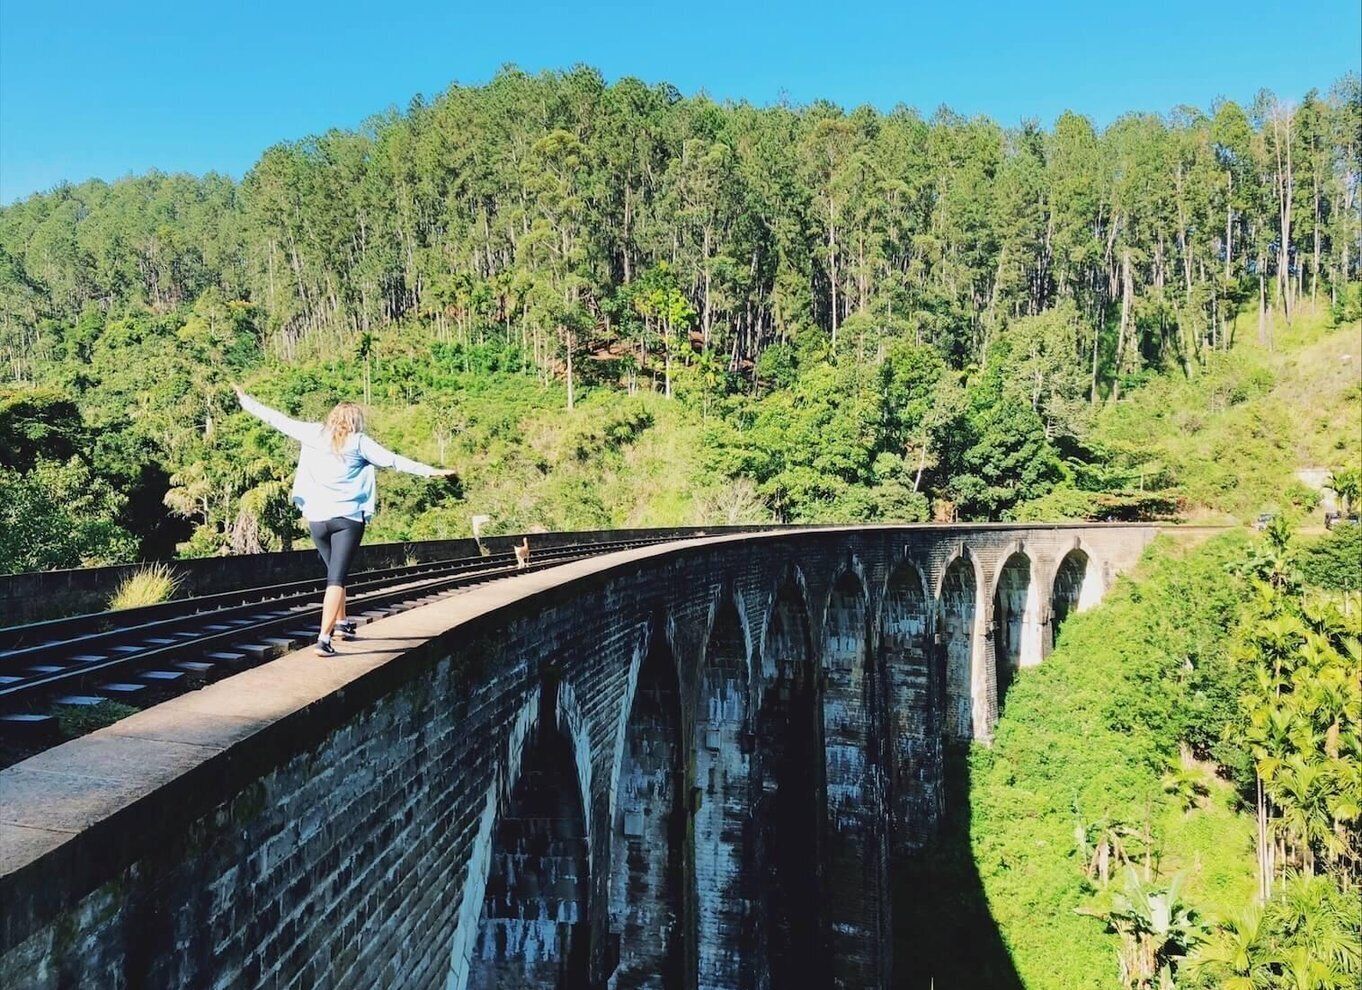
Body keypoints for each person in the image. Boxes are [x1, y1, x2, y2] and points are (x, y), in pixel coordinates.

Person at [232, 384, 454, 656]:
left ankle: (341, 623)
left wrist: (246, 400)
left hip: (317, 521)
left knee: (335, 573)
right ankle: (323, 639)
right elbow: (394, 461)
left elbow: (277, 419)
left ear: (333, 418)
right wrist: (431, 472)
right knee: (336, 579)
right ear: (355, 422)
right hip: (347, 520)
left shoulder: (313, 432)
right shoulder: (360, 442)